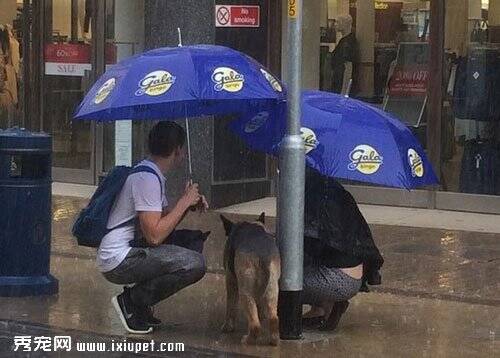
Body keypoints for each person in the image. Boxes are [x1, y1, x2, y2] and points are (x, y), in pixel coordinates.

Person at [97, 121, 209, 334]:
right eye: (182, 149)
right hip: (120, 259)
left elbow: (162, 222)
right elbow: (155, 236)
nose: (183, 153)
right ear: (178, 150)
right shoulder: (146, 178)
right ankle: (132, 301)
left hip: (128, 252)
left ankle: (140, 305)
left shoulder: (151, 173)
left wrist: (186, 206)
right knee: (194, 263)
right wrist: (184, 201)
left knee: (192, 243)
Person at [301, 167, 384, 331]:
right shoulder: (337, 192)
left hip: (335, 279)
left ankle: (289, 323)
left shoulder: (315, 199)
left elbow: (306, 248)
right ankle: (323, 308)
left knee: (280, 279)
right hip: (355, 276)